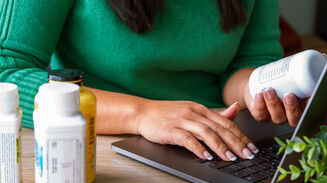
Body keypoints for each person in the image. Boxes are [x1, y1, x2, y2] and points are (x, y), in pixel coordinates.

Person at [0, 0, 306, 162]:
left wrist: (262, 92)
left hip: (218, 142)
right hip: (99, 147)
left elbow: (245, 64)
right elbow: (7, 71)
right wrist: (143, 113)